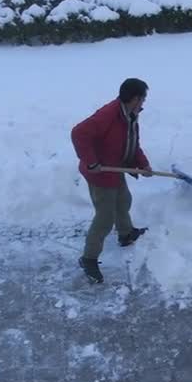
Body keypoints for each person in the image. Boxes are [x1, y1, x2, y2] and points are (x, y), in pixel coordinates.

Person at [70, 78, 153, 283]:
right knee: (105, 217)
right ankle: (89, 258)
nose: (144, 103)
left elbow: (132, 144)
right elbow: (79, 133)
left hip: (115, 167)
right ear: (135, 99)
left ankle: (126, 234)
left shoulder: (130, 115)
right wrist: (91, 162)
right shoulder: (108, 114)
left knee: (123, 200)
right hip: (100, 173)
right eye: (143, 98)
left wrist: (143, 164)